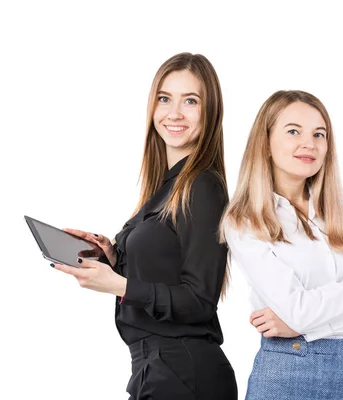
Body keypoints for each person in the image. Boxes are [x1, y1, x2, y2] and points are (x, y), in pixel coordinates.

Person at [52, 52, 238, 400]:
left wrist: (120, 284)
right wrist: (112, 258)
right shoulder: (165, 188)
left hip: (183, 372)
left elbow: (200, 301)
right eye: (165, 98)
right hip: (155, 370)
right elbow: (161, 275)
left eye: (191, 101)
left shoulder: (203, 187)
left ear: (210, 113)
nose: (174, 113)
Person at [221, 90, 343, 400]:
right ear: (266, 142)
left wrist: (304, 325)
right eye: (293, 131)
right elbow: (302, 310)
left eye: (319, 134)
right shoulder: (245, 221)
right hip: (287, 375)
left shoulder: (341, 210)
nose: (309, 143)